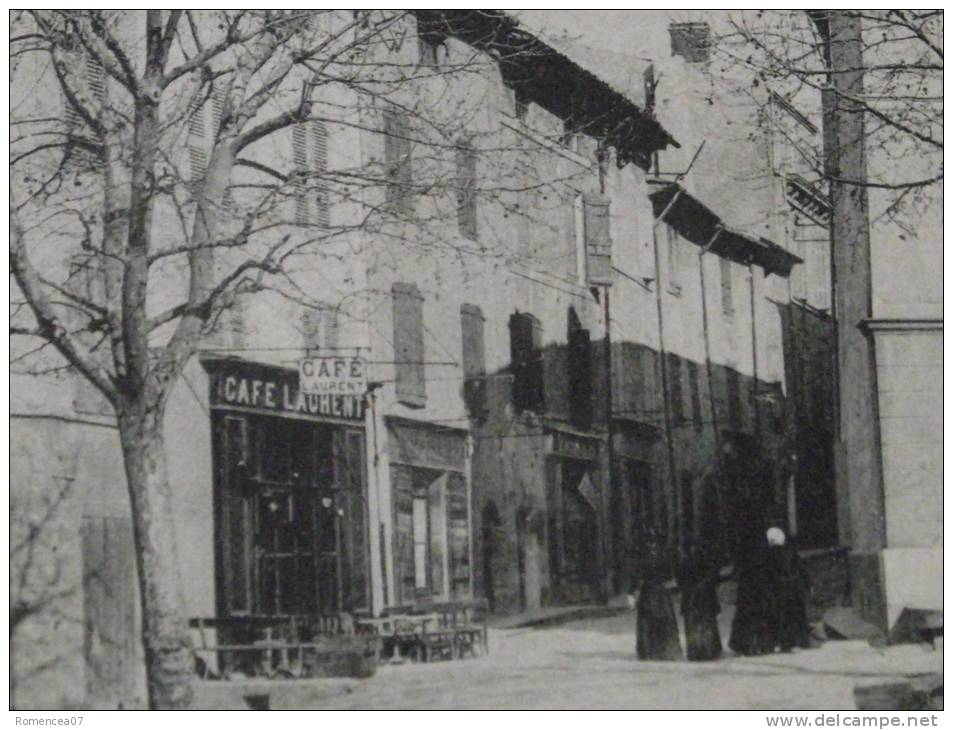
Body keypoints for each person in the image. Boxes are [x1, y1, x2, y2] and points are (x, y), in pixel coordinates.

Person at [634, 530, 682, 661]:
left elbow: (671, 573)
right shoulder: (642, 557)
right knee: (648, 622)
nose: (652, 545)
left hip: (661, 593)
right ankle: (648, 652)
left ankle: (665, 651)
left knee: (663, 621)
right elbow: (638, 575)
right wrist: (635, 590)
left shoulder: (665, 556)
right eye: (650, 542)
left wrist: (671, 583)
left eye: (655, 542)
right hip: (648, 593)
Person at [728, 523, 773, 656]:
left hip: (748, 588)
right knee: (758, 615)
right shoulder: (763, 549)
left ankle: (744, 644)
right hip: (758, 586)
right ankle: (759, 644)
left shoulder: (742, 552)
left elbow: (737, 572)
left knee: (746, 615)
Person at [677, 537, 723, 661]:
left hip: (691, 599)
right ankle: (710, 651)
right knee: (707, 624)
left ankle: (695, 652)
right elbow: (717, 580)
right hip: (707, 598)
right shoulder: (709, 562)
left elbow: (680, 582)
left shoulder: (684, 563)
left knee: (693, 625)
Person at [767, 527, 810, 652]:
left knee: (779, 617)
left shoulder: (769, 554)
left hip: (778, 590)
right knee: (795, 617)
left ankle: (780, 642)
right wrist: (805, 586)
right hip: (794, 589)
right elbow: (801, 570)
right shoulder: (790, 552)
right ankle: (797, 641)